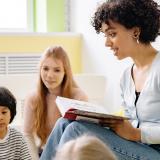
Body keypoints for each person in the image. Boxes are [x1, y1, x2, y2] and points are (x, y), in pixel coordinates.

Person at [40, 0, 160, 160]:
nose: (106, 43)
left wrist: (137, 133)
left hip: (154, 152)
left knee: (76, 130)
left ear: (136, 32)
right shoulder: (126, 76)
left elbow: (134, 132)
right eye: (105, 35)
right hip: (135, 145)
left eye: (112, 34)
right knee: (65, 123)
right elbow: (129, 117)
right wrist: (105, 121)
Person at [23, 46, 88, 158]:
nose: (49, 75)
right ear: (40, 69)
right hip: (44, 153)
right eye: (45, 68)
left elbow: (83, 135)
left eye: (57, 70)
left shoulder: (78, 97)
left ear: (65, 72)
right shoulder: (33, 98)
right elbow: (27, 134)